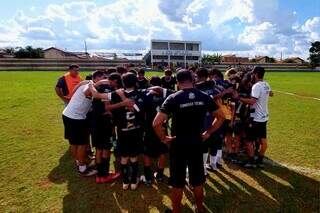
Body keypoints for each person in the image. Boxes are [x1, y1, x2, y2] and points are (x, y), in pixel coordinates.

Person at [153, 70, 225, 213]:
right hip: (197, 142)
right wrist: (208, 132)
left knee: (177, 182)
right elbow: (221, 117)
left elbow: (156, 123)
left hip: (178, 143)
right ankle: (199, 209)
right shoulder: (204, 96)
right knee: (198, 180)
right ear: (193, 80)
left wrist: (164, 138)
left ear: (178, 83)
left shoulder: (173, 98)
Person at [234, 66, 273, 168]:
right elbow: (272, 94)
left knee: (248, 140)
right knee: (263, 140)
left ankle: (251, 162)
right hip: (264, 117)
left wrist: (239, 98)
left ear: (255, 74)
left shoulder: (256, 86)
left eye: (252, 74)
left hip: (255, 118)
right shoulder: (266, 84)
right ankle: (260, 160)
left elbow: (252, 101)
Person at [142, 76, 173, 185]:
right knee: (162, 151)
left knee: (147, 152)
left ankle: (148, 176)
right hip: (162, 127)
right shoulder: (168, 95)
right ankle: (159, 175)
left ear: (151, 84)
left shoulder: (146, 96)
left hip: (150, 127)